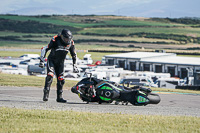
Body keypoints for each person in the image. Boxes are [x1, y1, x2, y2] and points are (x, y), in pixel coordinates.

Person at [39, 29, 79, 103]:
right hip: (51, 61)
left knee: (61, 79)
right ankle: (46, 95)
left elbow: (74, 55)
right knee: (50, 76)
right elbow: (44, 48)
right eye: (65, 38)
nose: (67, 40)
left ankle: (59, 97)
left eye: (68, 39)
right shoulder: (55, 39)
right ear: (61, 36)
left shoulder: (71, 43)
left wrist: (75, 65)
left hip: (60, 63)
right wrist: (42, 61)